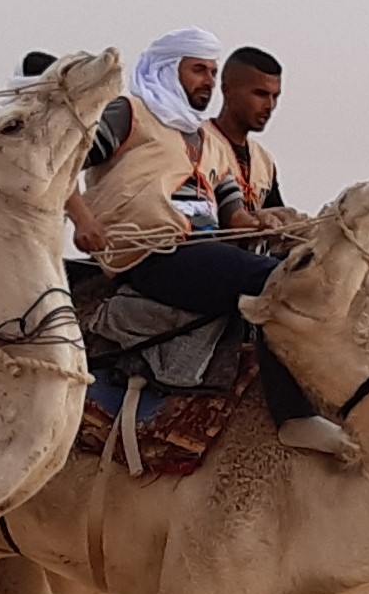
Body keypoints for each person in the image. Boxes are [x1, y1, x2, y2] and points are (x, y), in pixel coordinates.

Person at [66, 27, 348, 455]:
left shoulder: (202, 139)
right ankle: (293, 415)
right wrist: (83, 219)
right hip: (154, 252)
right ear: (167, 68)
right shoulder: (130, 113)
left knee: (319, 267)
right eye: (198, 70)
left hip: (205, 247)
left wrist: (272, 222)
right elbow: (61, 161)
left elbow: (235, 214)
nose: (207, 82)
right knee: (277, 284)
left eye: (213, 73)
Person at [208, 45, 293, 215]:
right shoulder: (197, 143)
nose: (269, 106)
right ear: (227, 90)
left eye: (275, 96)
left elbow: (280, 224)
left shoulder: (264, 162)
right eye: (260, 94)